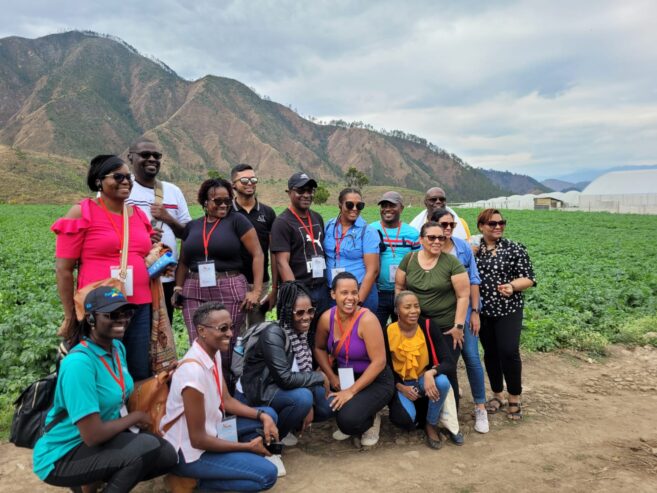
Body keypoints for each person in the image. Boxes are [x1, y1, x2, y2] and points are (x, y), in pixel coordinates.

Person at [33, 286, 177, 492]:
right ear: (91, 319)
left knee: (167, 456)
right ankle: (86, 481)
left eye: (127, 313)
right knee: (144, 447)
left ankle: (91, 483)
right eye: (113, 315)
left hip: (97, 442)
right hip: (63, 453)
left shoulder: (117, 348)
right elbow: (93, 435)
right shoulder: (79, 364)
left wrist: (161, 377)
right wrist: (135, 417)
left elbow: (121, 389)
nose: (123, 320)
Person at [52, 155, 156, 380]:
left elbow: (142, 255)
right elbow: (63, 269)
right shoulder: (83, 211)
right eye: (118, 177)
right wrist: (70, 316)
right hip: (100, 309)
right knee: (102, 371)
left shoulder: (138, 214)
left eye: (128, 177)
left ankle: (135, 404)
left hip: (138, 306)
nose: (125, 181)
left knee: (138, 371)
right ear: (99, 181)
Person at [162, 302, 280, 491]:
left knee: (269, 415)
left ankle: (229, 464)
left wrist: (262, 416)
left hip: (212, 431)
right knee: (267, 475)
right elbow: (198, 440)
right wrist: (247, 447)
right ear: (202, 331)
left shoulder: (212, 353)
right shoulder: (192, 373)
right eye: (223, 328)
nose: (231, 334)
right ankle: (196, 482)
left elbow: (226, 400)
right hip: (189, 453)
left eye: (231, 327)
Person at [173, 178, 264, 381]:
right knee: (198, 342)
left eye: (227, 200)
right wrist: (178, 288)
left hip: (228, 286)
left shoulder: (238, 221)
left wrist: (256, 291)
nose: (223, 205)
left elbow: (258, 253)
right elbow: (184, 262)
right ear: (205, 202)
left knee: (225, 344)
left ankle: (226, 392)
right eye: (217, 201)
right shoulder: (193, 226)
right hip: (194, 289)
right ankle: (201, 389)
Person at [239, 281, 333, 447]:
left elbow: (301, 372)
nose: (306, 317)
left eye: (310, 311)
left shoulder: (301, 333)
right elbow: (285, 379)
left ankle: (290, 422)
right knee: (303, 398)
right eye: (300, 313)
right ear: (287, 312)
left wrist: (312, 400)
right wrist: (319, 377)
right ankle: (271, 442)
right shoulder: (273, 334)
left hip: (281, 386)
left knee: (326, 404)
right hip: (259, 390)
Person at [394, 222, 470, 421]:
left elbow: (463, 295)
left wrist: (458, 326)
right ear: (421, 239)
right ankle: (425, 414)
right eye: (432, 237)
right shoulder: (409, 259)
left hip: (446, 328)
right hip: (417, 328)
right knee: (420, 369)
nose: (437, 241)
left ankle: (451, 418)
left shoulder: (451, 262)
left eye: (441, 238)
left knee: (447, 370)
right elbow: (399, 287)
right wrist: (400, 316)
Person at [314, 272, 394, 447]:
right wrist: (331, 376)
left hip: (375, 379)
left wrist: (350, 391)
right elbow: (319, 348)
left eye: (354, 292)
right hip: (345, 377)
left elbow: (379, 362)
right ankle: (361, 410)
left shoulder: (368, 320)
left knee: (348, 421)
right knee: (326, 406)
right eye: (344, 293)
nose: (350, 298)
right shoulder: (327, 318)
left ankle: (372, 418)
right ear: (333, 294)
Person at [430, 208, 489, 433]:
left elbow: (474, 280)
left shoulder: (462, 247)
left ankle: (480, 406)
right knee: (446, 361)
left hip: (463, 312)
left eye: (451, 225)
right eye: (443, 224)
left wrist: (475, 311)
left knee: (471, 357)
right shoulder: (428, 247)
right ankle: (448, 408)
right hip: (441, 313)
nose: (447, 229)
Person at [474, 209, 536, 421]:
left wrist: (512, 285)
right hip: (484, 311)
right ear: (481, 226)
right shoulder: (475, 250)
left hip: (509, 309)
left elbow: (528, 278)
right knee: (490, 353)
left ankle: (515, 397)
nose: (498, 226)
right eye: (492, 223)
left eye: (501, 223)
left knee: (509, 352)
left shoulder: (514, 248)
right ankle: (497, 394)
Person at [126, 138, 191, 324]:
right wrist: (142, 236)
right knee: (131, 328)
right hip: (131, 277)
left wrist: (167, 217)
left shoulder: (173, 191)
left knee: (163, 330)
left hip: (165, 276)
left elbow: (187, 233)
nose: (152, 159)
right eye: (145, 155)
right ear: (130, 158)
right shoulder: (121, 188)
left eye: (157, 156)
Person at [386, 291, 456, 449]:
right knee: (404, 420)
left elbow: (449, 362)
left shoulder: (428, 326)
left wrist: (431, 372)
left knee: (442, 382)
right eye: (407, 307)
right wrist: (400, 387)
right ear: (397, 310)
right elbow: (385, 367)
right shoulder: (388, 332)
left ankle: (431, 424)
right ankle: (415, 412)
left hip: (423, 380)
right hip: (402, 384)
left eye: (416, 306)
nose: (413, 311)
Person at [271, 172, 329, 343]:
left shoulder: (317, 217)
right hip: (300, 290)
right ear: (289, 192)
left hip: (321, 288)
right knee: (297, 341)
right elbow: (282, 262)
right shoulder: (282, 222)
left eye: (310, 190)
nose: (306, 195)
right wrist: (297, 295)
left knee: (319, 338)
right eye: (300, 190)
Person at [230, 164, 278, 326]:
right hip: (234, 282)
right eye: (244, 180)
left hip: (261, 282)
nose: (250, 183)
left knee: (257, 329)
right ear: (233, 185)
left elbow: (273, 252)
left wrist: (274, 288)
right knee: (236, 330)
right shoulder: (228, 212)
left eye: (253, 179)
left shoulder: (268, 213)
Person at [370, 191, 421, 330]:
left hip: (404, 292)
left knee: (403, 331)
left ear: (401, 208)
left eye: (392, 205)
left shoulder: (412, 233)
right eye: (384, 205)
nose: (387, 209)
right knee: (376, 331)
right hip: (378, 293)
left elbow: (418, 263)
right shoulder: (371, 230)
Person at [323, 188, 380, 312]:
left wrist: (358, 301)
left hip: (359, 291)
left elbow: (373, 270)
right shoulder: (329, 226)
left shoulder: (368, 231)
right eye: (349, 205)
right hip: (333, 291)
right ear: (340, 204)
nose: (354, 209)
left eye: (359, 205)